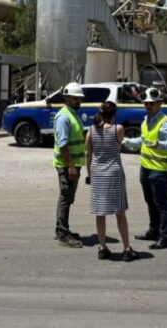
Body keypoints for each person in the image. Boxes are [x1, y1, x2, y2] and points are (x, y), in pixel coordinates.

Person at [123, 87, 167, 249]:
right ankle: (153, 231)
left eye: (152, 104)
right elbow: (143, 139)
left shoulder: (165, 122)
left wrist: (159, 144)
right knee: (150, 201)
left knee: (161, 204)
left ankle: (165, 237)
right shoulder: (146, 120)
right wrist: (127, 141)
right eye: (146, 104)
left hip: (159, 169)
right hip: (145, 168)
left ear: (160, 104)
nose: (148, 106)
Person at [85, 101, 137, 262]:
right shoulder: (118, 129)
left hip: (97, 173)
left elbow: (88, 155)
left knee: (100, 213)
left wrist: (89, 174)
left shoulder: (91, 131)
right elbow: (120, 143)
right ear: (114, 114)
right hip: (114, 173)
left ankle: (102, 247)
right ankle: (127, 248)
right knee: (120, 213)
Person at [53, 82, 87, 248]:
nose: (78, 101)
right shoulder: (64, 116)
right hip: (67, 165)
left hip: (74, 164)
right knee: (66, 197)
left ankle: (61, 228)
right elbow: (63, 145)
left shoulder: (73, 114)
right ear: (66, 98)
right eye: (75, 98)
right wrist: (72, 166)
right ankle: (62, 234)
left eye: (79, 98)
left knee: (67, 197)